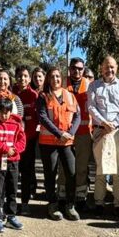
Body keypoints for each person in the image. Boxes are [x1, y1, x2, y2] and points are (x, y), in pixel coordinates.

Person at [88, 56, 119, 216]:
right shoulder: (93, 86)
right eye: (107, 67)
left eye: (112, 67)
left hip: (117, 132)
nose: (110, 70)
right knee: (100, 169)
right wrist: (104, 123)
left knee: (118, 169)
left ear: (117, 67)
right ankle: (99, 203)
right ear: (101, 68)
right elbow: (91, 107)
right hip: (100, 131)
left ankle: (118, 204)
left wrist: (113, 124)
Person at [37, 66, 81, 221]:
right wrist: (59, 133)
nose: (55, 79)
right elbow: (43, 117)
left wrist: (70, 133)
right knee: (51, 174)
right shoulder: (43, 96)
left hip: (67, 142)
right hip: (48, 143)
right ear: (48, 79)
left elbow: (78, 116)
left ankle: (70, 205)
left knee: (71, 173)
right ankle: (52, 204)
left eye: (57, 76)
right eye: (52, 76)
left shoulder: (70, 96)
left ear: (61, 78)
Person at [0, 97, 27, 232]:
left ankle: (11, 216)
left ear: (11, 111)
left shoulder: (17, 124)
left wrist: (15, 150)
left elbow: (22, 141)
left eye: (7, 112)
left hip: (13, 161)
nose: (4, 115)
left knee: (12, 188)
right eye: (1, 112)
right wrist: (5, 149)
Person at [15, 65, 45, 216]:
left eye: (25, 76)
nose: (22, 79)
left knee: (27, 172)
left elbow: (35, 120)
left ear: (29, 78)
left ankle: (25, 202)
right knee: (12, 173)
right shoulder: (11, 92)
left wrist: (25, 138)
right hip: (11, 142)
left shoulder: (33, 95)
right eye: (20, 76)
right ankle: (11, 201)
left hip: (28, 140)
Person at [66, 58, 93, 209]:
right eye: (74, 68)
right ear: (69, 69)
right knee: (65, 167)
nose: (77, 71)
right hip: (67, 133)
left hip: (83, 132)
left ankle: (81, 197)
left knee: (82, 166)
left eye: (80, 68)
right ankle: (62, 196)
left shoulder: (89, 86)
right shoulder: (62, 84)